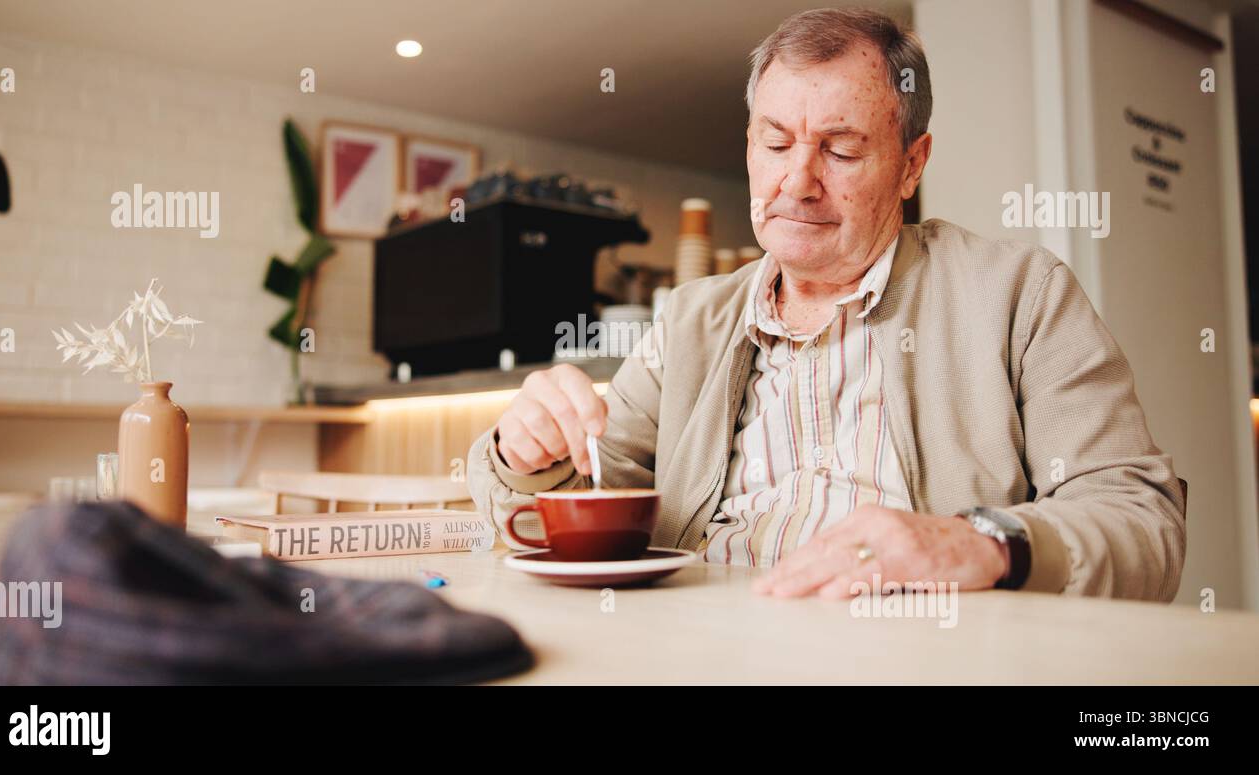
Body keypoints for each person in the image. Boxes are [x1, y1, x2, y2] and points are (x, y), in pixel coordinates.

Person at [466, 7, 1185, 601]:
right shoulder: (690, 322)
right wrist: (524, 455)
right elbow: (581, 502)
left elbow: (1142, 521)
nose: (796, 182)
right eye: (775, 143)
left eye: (840, 150)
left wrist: (985, 541)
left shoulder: (1018, 294)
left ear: (912, 164)